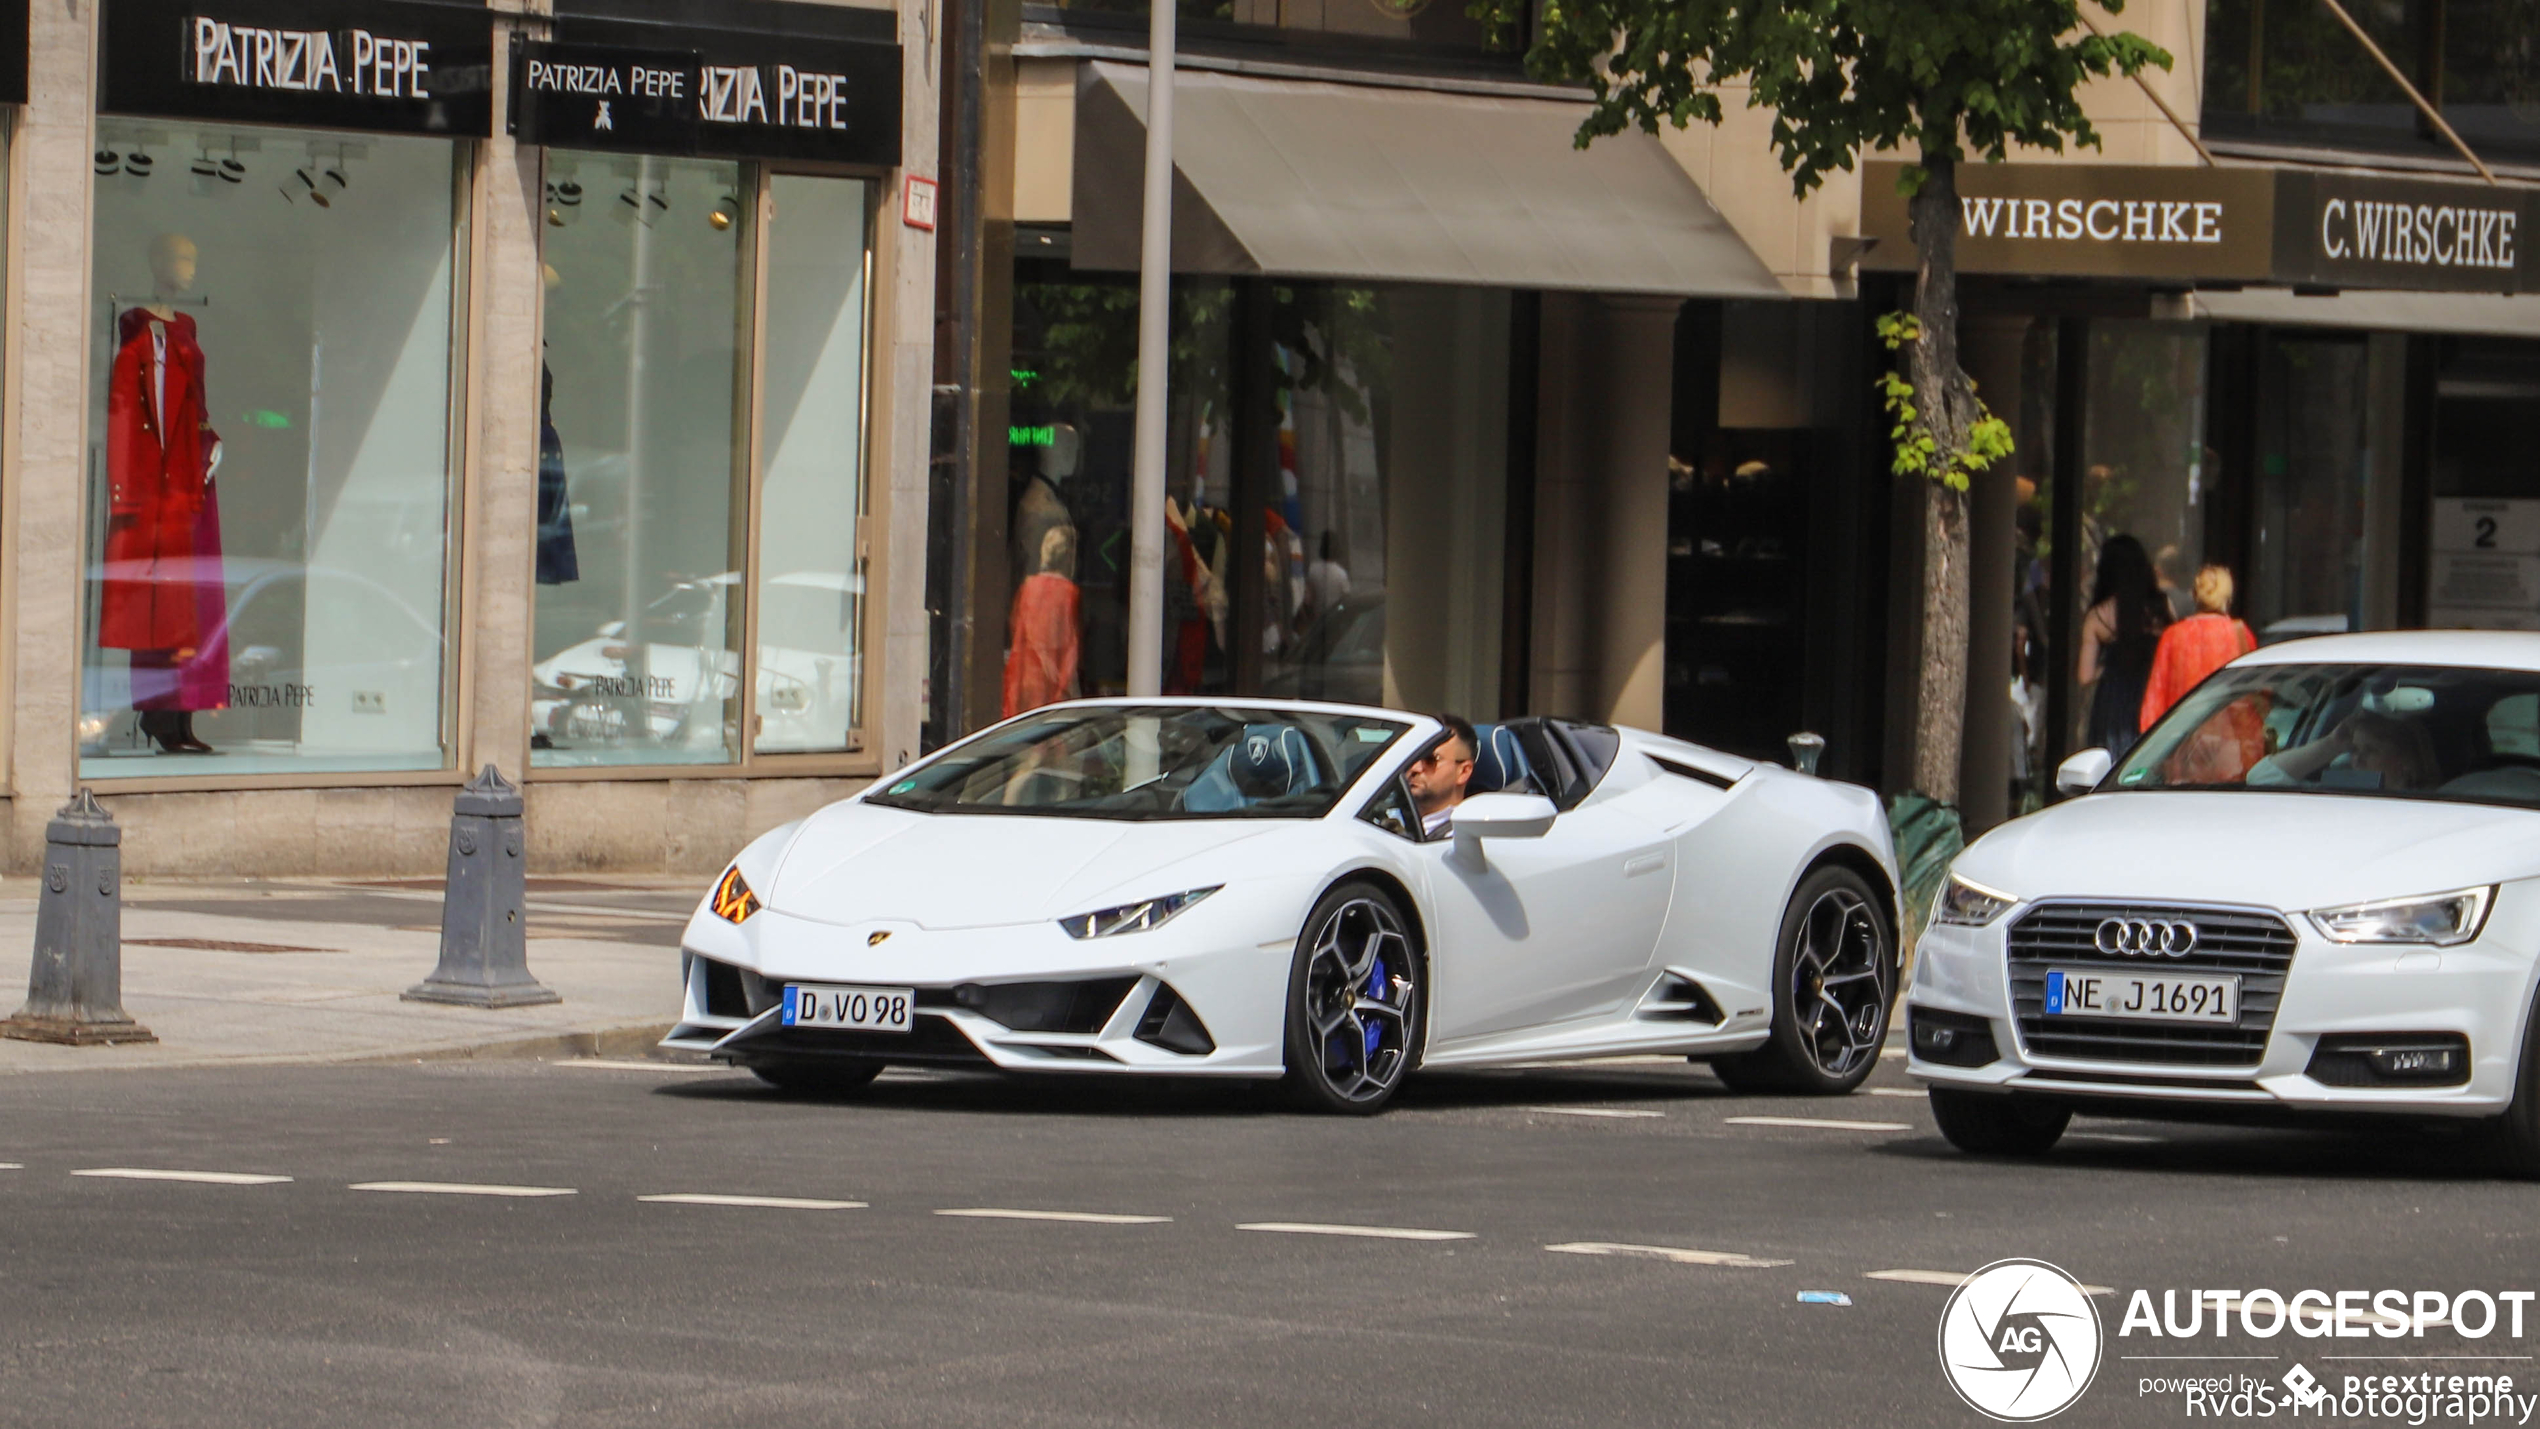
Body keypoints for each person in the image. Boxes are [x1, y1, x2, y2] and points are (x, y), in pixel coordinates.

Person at [2077, 534, 2169, 759]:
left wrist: (2110, 668)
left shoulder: (2098, 617)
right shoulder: (2159, 610)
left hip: (2113, 704)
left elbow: (2084, 676)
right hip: (2152, 698)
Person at [2140, 565, 2256, 730]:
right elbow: (2255, 690)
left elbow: (2153, 706)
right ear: (2228, 597)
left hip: (2181, 739)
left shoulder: (2172, 636)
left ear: (2195, 595)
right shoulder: (2240, 634)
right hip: (2228, 739)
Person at [2250, 709, 2439, 793]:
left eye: (2371, 750)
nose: (2357, 760)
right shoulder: (2336, 792)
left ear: (2406, 761)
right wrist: (2331, 744)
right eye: (2354, 750)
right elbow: (2260, 778)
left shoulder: (2432, 806)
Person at [1406, 714, 1477, 838]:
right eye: (1413, 757)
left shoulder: (1464, 839)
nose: (1415, 768)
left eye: (1431, 760)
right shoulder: (1378, 817)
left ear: (1464, 771)